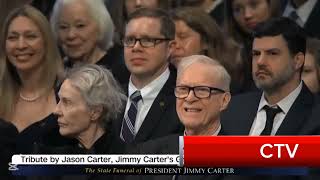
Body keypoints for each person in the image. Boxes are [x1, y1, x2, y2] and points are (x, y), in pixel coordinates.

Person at [127, 55, 231, 180]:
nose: (189, 98)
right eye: (183, 89)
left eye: (202, 90)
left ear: (224, 100)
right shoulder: (149, 153)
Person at [221, 17, 318, 135]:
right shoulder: (232, 108)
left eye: (272, 53)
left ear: (297, 61)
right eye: (256, 54)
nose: (260, 62)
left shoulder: (315, 116)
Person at [0, 5, 69, 153]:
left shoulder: (70, 96)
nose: (21, 45)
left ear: (46, 42)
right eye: (12, 37)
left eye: (30, 36)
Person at [113, 8, 183, 146]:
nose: (136, 47)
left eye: (147, 40)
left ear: (170, 48)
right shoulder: (108, 97)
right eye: (130, 40)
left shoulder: (184, 100)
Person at [170, 7, 247, 94]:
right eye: (169, 39)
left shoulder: (229, 83)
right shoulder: (164, 84)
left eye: (183, 37)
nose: (173, 45)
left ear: (205, 41)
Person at [50, 0, 129, 85]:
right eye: (63, 27)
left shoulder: (123, 69)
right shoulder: (53, 74)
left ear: (100, 26)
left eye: (80, 26)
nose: (71, 35)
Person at [53, 64, 126, 153]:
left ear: (95, 112)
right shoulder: (49, 148)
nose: (56, 111)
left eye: (67, 102)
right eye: (59, 100)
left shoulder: (124, 157)